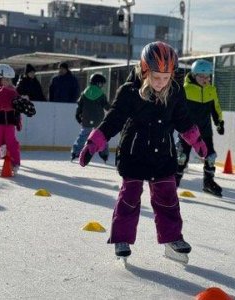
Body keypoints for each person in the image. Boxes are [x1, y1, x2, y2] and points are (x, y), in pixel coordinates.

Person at [79, 41, 208, 260]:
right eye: (156, 77)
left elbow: (183, 120)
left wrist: (196, 140)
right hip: (134, 153)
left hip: (163, 155)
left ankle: (172, 239)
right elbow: (113, 120)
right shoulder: (130, 92)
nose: (161, 83)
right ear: (145, 70)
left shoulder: (175, 92)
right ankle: (121, 238)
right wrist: (94, 143)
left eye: (166, 78)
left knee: (168, 198)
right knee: (129, 197)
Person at [175, 59, 225, 197]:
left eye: (207, 76)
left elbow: (216, 108)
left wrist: (219, 122)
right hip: (187, 130)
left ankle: (208, 183)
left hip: (205, 131)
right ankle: (174, 181)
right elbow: (176, 109)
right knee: (182, 157)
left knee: (210, 157)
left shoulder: (211, 90)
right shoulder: (185, 89)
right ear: (194, 75)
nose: (205, 79)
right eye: (201, 76)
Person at [71, 73, 110, 162]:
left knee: (83, 135)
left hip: (86, 119)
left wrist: (77, 115)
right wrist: (113, 111)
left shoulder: (84, 93)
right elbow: (106, 106)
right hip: (99, 120)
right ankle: (104, 154)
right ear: (97, 83)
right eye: (101, 84)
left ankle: (75, 152)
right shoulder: (101, 94)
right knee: (102, 136)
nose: (102, 86)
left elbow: (79, 106)